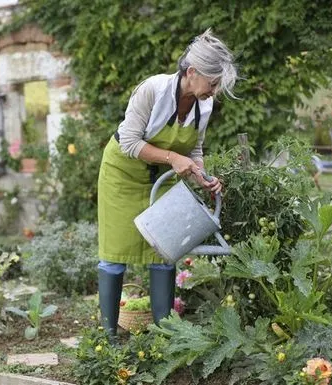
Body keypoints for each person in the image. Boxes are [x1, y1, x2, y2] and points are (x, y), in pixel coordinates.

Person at [97, 29, 237, 336]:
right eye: (212, 83)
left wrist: (203, 177)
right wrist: (173, 157)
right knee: (114, 255)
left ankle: (164, 334)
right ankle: (108, 336)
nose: (214, 91)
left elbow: (195, 150)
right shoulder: (153, 90)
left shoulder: (205, 105)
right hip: (122, 175)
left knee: (165, 250)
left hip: (160, 180)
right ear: (192, 72)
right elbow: (129, 142)